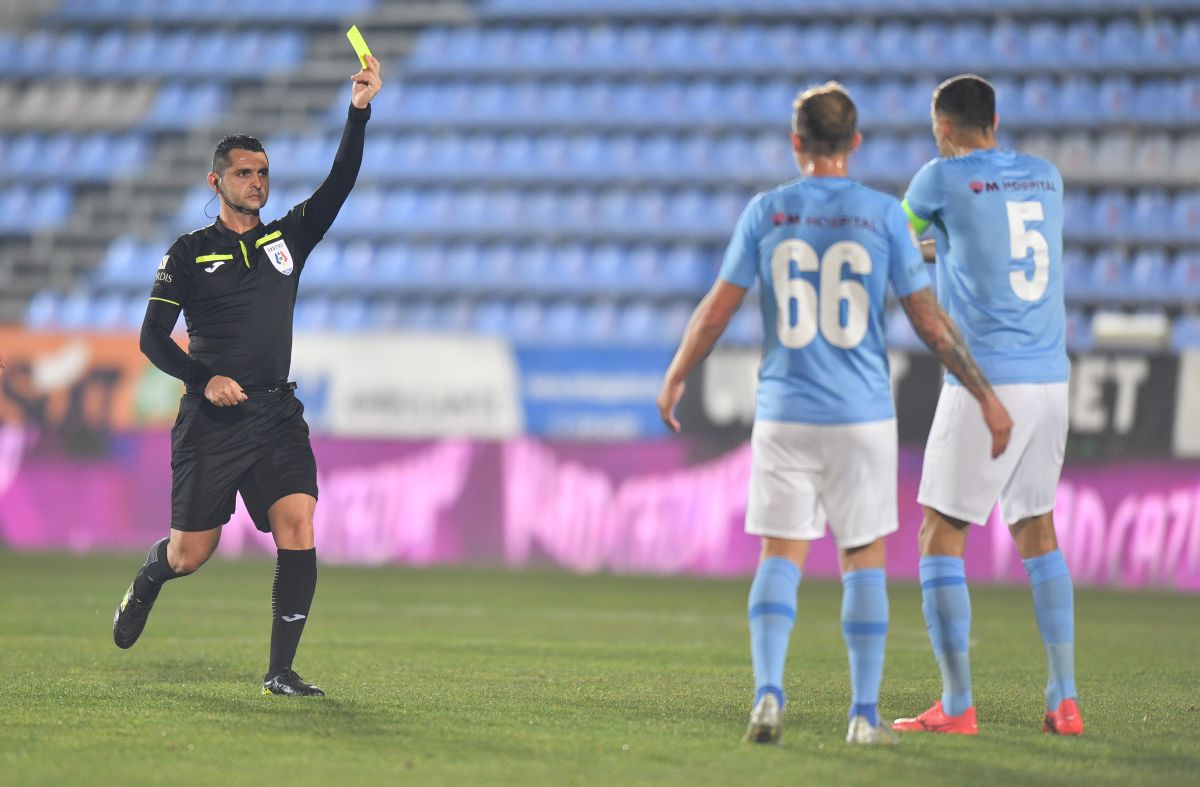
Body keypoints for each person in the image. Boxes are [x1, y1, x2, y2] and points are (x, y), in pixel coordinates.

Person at [656, 82, 1011, 746]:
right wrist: (986, 394)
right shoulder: (881, 215)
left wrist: (677, 373)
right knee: (863, 555)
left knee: (779, 552)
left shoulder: (766, 212)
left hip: (785, 410)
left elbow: (717, 309)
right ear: (856, 142)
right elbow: (930, 323)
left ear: (796, 143)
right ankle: (863, 716)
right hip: (860, 415)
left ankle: (768, 693)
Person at [111, 56, 383, 697]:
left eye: (262, 173)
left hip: (276, 414)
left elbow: (340, 182)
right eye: (243, 173)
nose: (256, 182)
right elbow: (151, 338)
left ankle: (280, 672)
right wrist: (203, 378)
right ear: (216, 181)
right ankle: (150, 576)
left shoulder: (287, 239)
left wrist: (359, 112)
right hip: (213, 421)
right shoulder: (187, 252)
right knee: (190, 554)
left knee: (299, 524)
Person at [892, 74, 1080, 736]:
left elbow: (894, 240)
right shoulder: (1046, 178)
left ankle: (956, 704)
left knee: (940, 534)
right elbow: (998, 242)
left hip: (986, 382)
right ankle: (1064, 699)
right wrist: (947, 249)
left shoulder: (938, 179)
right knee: (1037, 528)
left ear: (942, 129)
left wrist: (926, 249)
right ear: (995, 121)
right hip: (1052, 379)